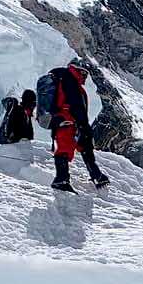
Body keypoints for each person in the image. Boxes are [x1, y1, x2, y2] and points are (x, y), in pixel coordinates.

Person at [36, 58, 112, 191]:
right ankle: (61, 179)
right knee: (66, 148)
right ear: (78, 70)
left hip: (65, 120)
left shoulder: (67, 80)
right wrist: (84, 125)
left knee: (84, 145)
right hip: (66, 120)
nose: (85, 77)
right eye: (84, 73)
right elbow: (76, 106)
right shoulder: (69, 80)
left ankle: (96, 175)